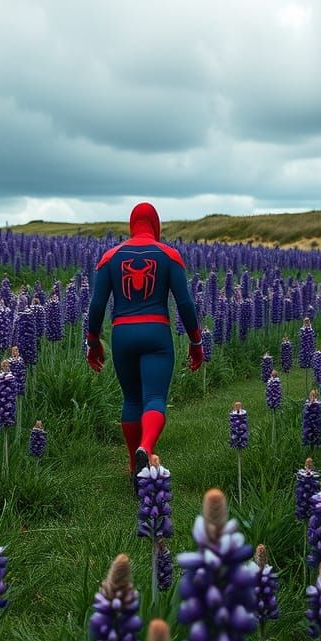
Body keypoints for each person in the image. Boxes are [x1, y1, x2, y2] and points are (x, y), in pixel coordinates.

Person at [85, 202, 203, 477]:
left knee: (131, 400)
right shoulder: (169, 255)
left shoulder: (110, 257)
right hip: (156, 333)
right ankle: (146, 449)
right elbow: (185, 303)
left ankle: (133, 466)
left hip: (122, 334)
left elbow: (96, 305)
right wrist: (196, 342)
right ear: (155, 224)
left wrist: (93, 343)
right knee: (154, 397)